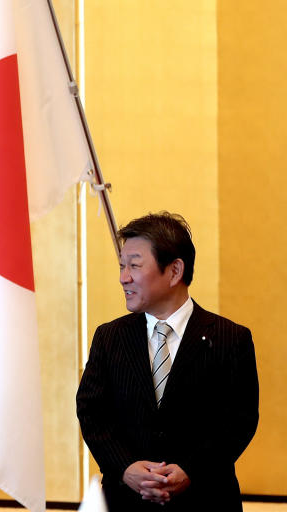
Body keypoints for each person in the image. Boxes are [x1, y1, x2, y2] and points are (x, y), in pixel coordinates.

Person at [76, 212, 258, 511]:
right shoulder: (110, 337)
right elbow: (92, 413)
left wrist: (191, 470)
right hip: (125, 500)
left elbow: (239, 420)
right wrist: (126, 467)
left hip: (206, 499)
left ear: (174, 271)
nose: (124, 277)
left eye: (134, 265)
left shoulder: (230, 338)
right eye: (122, 266)